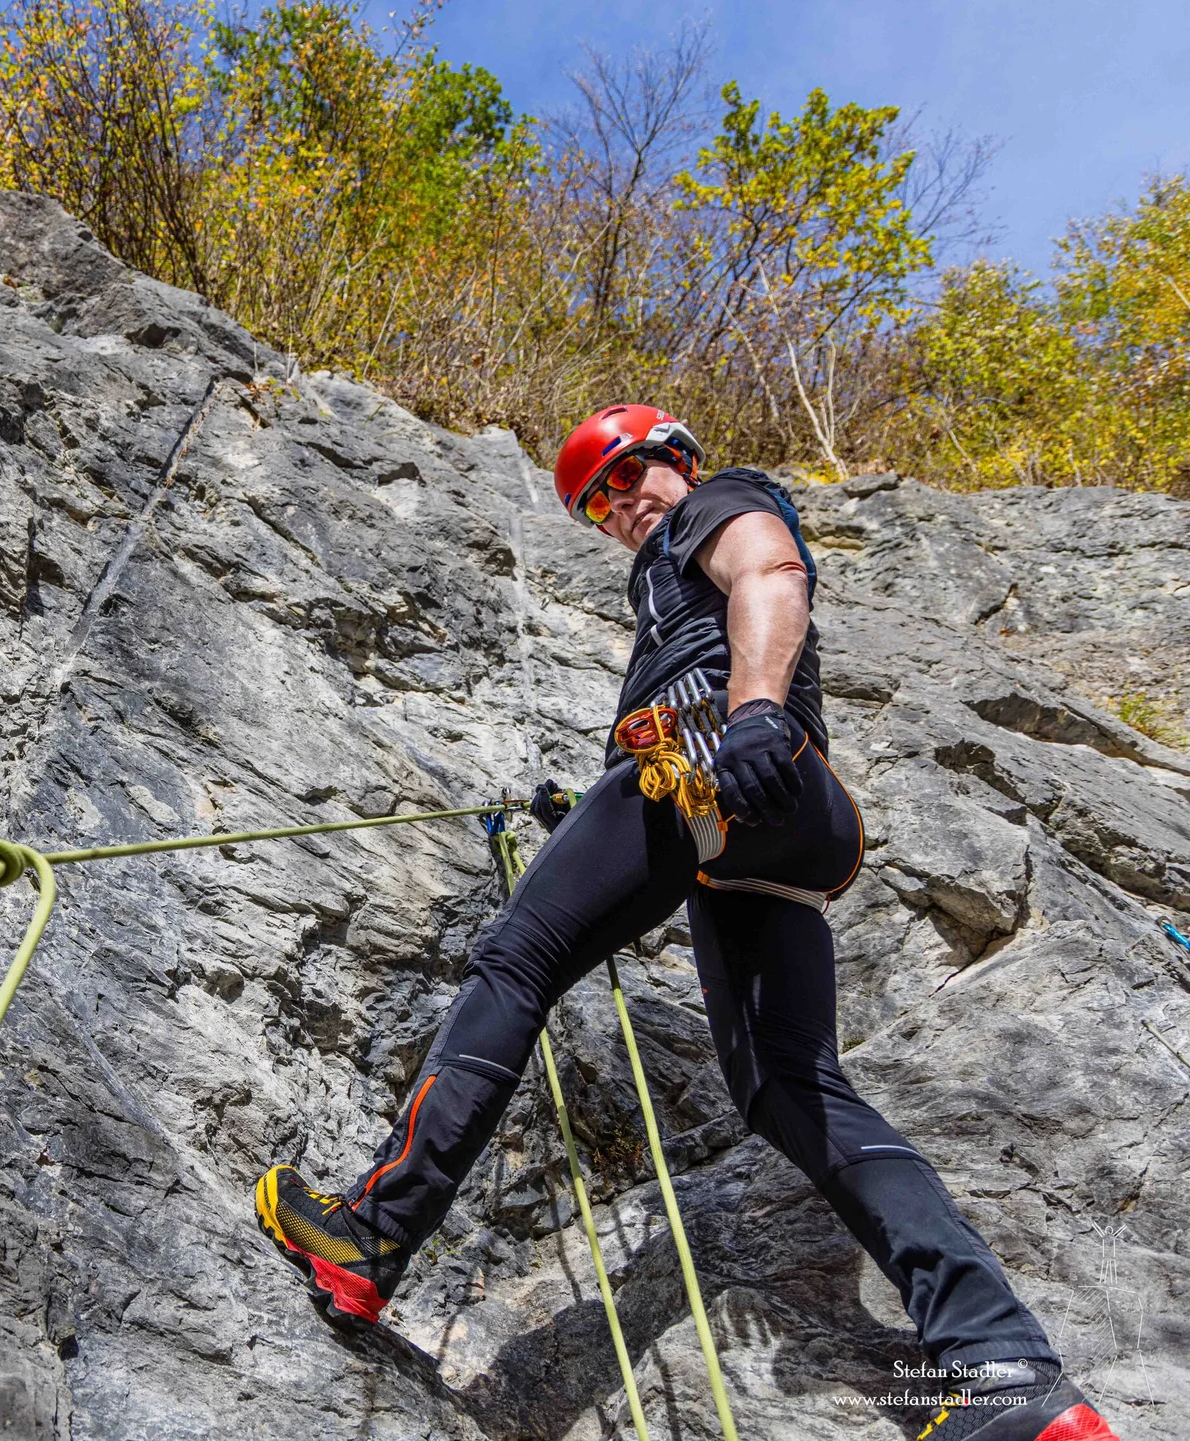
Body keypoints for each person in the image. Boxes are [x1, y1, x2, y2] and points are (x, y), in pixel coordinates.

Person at [254, 406, 1119, 1441]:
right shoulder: (663, 574)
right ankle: (1007, 1374)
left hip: (722, 754)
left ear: (678, 458)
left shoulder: (719, 501)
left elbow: (770, 576)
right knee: (788, 1086)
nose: (620, 509)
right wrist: (604, 817)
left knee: (515, 961)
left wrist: (753, 709)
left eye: (627, 479)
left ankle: (373, 1235)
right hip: (774, 825)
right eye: (598, 503)